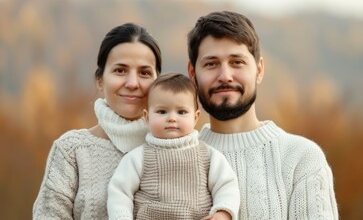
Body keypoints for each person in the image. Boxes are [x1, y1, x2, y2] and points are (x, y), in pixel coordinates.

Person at [187, 11, 339, 219]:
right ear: (192, 74)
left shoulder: (302, 159)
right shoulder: (172, 157)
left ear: (259, 70)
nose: (225, 76)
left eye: (237, 62)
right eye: (211, 64)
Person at [33, 22, 162, 219]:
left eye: (144, 73)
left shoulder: (183, 148)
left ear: (158, 83)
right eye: (120, 70)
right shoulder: (71, 151)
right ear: (100, 79)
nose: (132, 83)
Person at [107, 73, 240, 220]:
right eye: (162, 111)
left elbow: (227, 185)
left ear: (195, 117)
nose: (172, 118)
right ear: (147, 117)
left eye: (181, 112)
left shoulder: (208, 156)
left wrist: (223, 213)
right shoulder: (138, 157)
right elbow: (120, 192)